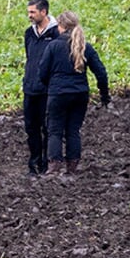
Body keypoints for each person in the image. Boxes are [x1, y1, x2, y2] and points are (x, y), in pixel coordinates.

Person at [35, 10, 109, 176]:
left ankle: (54, 168)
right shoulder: (85, 47)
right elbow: (101, 73)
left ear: (60, 26)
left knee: (54, 130)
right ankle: (72, 167)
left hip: (58, 94)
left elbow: (42, 72)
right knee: (73, 131)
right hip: (80, 94)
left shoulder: (53, 46)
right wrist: (104, 96)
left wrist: (51, 86)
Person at [22, 0, 59, 176]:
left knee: (47, 127)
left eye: (32, 12)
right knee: (31, 127)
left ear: (43, 12)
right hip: (30, 88)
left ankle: (46, 163)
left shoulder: (56, 33)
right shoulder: (29, 34)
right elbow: (29, 57)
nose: (29, 15)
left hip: (47, 89)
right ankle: (34, 162)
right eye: (29, 12)